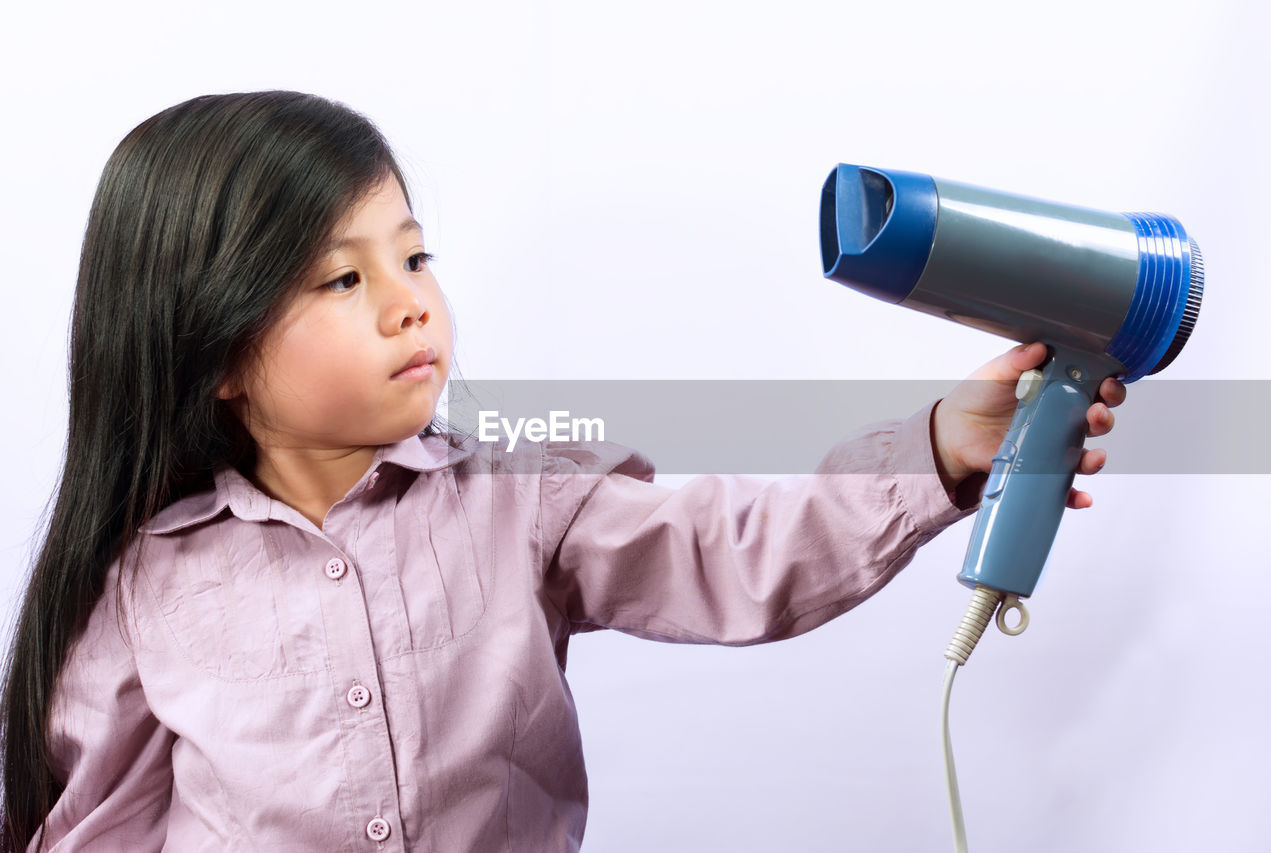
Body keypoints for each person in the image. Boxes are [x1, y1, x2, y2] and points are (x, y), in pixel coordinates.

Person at [0, 91, 1124, 852]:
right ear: (215, 354)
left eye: (412, 253)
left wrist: (935, 448)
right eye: (340, 281)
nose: (408, 299)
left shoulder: (519, 499)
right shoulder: (145, 585)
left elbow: (728, 549)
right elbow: (105, 821)